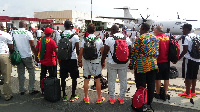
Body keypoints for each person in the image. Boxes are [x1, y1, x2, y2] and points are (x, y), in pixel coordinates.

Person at [129, 23, 159, 111]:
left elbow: (135, 53)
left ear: (142, 28)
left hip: (142, 64)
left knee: (141, 85)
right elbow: (157, 52)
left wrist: (131, 63)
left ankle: (141, 104)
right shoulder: (155, 38)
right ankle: (149, 102)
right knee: (151, 84)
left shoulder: (140, 38)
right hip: (153, 64)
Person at [101, 24, 132, 104]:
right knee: (123, 81)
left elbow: (105, 52)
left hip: (112, 63)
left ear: (112, 30)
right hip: (124, 63)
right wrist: (129, 61)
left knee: (111, 81)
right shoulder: (126, 38)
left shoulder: (109, 39)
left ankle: (112, 98)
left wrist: (103, 61)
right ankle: (121, 98)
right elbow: (131, 51)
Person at [78, 23, 105, 104]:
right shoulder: (98, 40)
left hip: (86, 62)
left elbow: (81, 53)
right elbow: (102, 52)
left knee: (86, 80)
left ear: (87, 31)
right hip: (96, 62)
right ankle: (99, 98)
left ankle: (86, 97)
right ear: (95, 30)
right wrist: (103, 62)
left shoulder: (84, 40)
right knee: (97, 80)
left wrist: (80, 61)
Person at [12, 21, 39, 95]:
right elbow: (32, 45)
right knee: (31, 71)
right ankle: (31, 89)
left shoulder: (13, 33)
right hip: (27, 56)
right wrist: (36, 55)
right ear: (26, 26)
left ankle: (22, 89)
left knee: (21, 73)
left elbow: (11, 44)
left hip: (18, 56)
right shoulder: (28, 33)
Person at [177, 24, 200, 99]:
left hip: (189, 59)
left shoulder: (186, 37)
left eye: (183, 29)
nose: (182, 31)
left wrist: (178, 58)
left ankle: (187, 93)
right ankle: (193, 92)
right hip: (197, 59)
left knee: (188, 76)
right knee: (194, 75)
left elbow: (185, 50)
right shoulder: (197, 36)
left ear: (186, 29)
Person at [60, 20, 80, 102]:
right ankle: (73, 95)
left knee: (63, 78)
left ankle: (64, 95)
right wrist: (80, 60)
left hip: (63, 59)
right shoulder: (75, 36)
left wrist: (59, 60)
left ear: (64, 26)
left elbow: (59, 49)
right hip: (72, 59)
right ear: (71, 27)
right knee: (74, 78)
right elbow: (78, 50)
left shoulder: (60, 35)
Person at [36, 27, 58, 93]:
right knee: (52, 76)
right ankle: (52, 90)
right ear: (50, 33)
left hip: (43, 62)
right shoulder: (51, 41)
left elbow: (36, 49)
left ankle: (43, 89)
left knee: (43, 75)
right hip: (51, 62)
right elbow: (56, 51)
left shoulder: (40, 40)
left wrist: (36, 57)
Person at [154, 26, 170, 99]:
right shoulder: (167, 37)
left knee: (158, 78)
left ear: (157, 30)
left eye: (154, 29)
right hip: (167, 61)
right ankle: (165, 93)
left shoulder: (156, 38)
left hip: (159, 60)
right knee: (166, 78)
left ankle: (157, 93)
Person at [0, 22, 13, 101]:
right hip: (3, 55)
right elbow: (11, 47)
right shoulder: (6, 34)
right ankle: (7, 95)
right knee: (6, 76)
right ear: (1, 26)